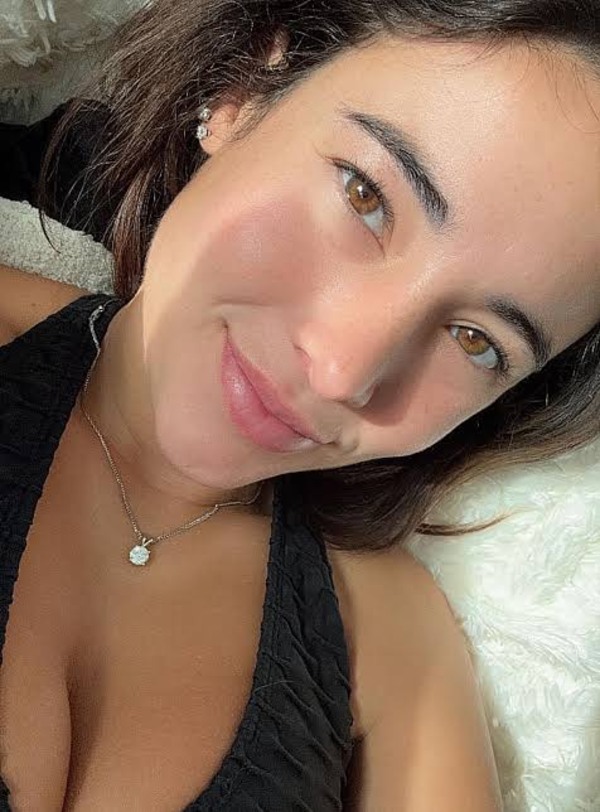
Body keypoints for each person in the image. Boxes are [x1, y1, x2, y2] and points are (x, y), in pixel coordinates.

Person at [1, 0, 600, 808]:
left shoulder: (396, 647)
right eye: (365, 196)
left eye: (476, 342)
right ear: (240, 92)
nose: (344, 372)